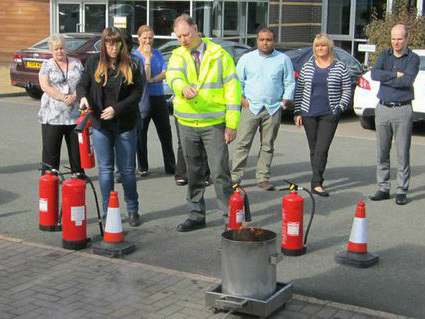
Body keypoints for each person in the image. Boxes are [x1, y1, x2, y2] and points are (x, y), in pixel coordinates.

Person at [166, 14, 241, 232]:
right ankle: (196, 214)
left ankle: (230, 218)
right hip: (187, 123)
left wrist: (232, 124)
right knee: (194, 173)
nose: (182, 40)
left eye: (186, 35)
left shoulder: (220, 55)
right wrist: (181, 87)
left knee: (219, 173)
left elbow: (233, 91)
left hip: (214, 123)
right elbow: (173, 76)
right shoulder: (177, 55)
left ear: (196, 29)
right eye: (179, 36)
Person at [77, 27, 144, 226]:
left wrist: (116, 108)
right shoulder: (92, 62)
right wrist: (82, 98)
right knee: (105, 170)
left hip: (125, 124)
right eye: (109, 43)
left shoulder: (131, 63)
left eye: (117, 43)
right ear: (104, 44)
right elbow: (82, 85)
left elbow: (136, 94)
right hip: (100, 125)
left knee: (127, 171)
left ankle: (133, 209)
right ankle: (108, 211)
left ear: (122, 44)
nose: (113, 48)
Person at [231, 28, 295, 191]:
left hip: (273, 109)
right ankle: (235, 178)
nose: (265, 43)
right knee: (242, 144)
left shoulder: (283, 59)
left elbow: (289, 81)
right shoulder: (246, 59)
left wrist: (285, 100)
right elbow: (237, 82)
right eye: (262, 40)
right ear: (257, 41)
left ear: (274, 41)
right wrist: (242, 100)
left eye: (268, 40)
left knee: (267, 145)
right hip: (250, 107)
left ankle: (263, 177)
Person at [294, 33, 351, 197]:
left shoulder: (340, 66)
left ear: (329, 47)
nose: (320, 48)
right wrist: (298, 111)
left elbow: (347, 89)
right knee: (314, 149)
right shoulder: (308, 66)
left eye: (323, 45)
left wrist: (340, 107)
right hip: (309, 113)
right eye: (317, 46)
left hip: (329, 113)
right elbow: (300, 89)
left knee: (322, 149)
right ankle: (316, 178)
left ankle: (316, 182)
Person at [369, 24, 420, 205]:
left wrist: (389, 78)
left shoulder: (413, 58)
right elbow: (374, 74)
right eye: (393, 39)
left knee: (402, 152)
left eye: (399, 39)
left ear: (406, 39)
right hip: (383, 108)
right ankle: (383, 187)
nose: (396, 42)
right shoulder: (384, 55)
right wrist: (394, 74)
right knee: (382, 151)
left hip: (403, 109)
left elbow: (407, 81)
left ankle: (401, 190)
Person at [134, 25, 176, 177]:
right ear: (138, 38)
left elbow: (165, 73)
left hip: (158, 96)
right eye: (144, 38)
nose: (148, 41)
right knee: (141, 133)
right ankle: (143, 167)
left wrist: (152, 79)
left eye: (150, 37)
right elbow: (143, 77)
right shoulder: (135, 56)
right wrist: (146, 59)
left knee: (165, 132)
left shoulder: (158, 53)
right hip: (143, 99)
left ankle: (171, 166)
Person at [38, 33, 83, 174]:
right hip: (52, 116)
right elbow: (45, 86)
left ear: (66, 48)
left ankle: (78, 174)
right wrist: (63, 97)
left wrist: (75, 96)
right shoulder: (47, 65)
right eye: (56, 49)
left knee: (76, 150)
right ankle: (49, 176)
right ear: (51, 50)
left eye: (62, 48)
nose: (59, 51)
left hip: (74, 115)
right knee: (51, 150)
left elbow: (84, 84)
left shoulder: (76, 63)